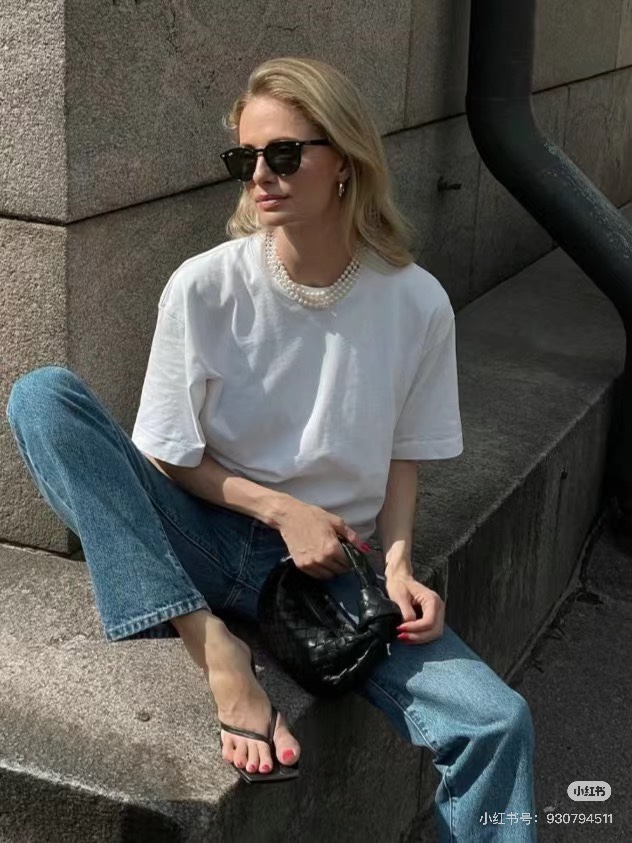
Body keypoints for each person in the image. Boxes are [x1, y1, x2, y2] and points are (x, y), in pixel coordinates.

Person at [5, 57, 536, 840]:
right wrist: (281, 508)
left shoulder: (416, 301)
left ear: (345, 160)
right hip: (204, 527)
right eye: (245, 158)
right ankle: (214, 646)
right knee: (41, 396)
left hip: (327, 573)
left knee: (497, 721)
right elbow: (169, 454)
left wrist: (397, 568)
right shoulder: (205, 286)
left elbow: (404, 455)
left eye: (283, 153)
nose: (261, 175)